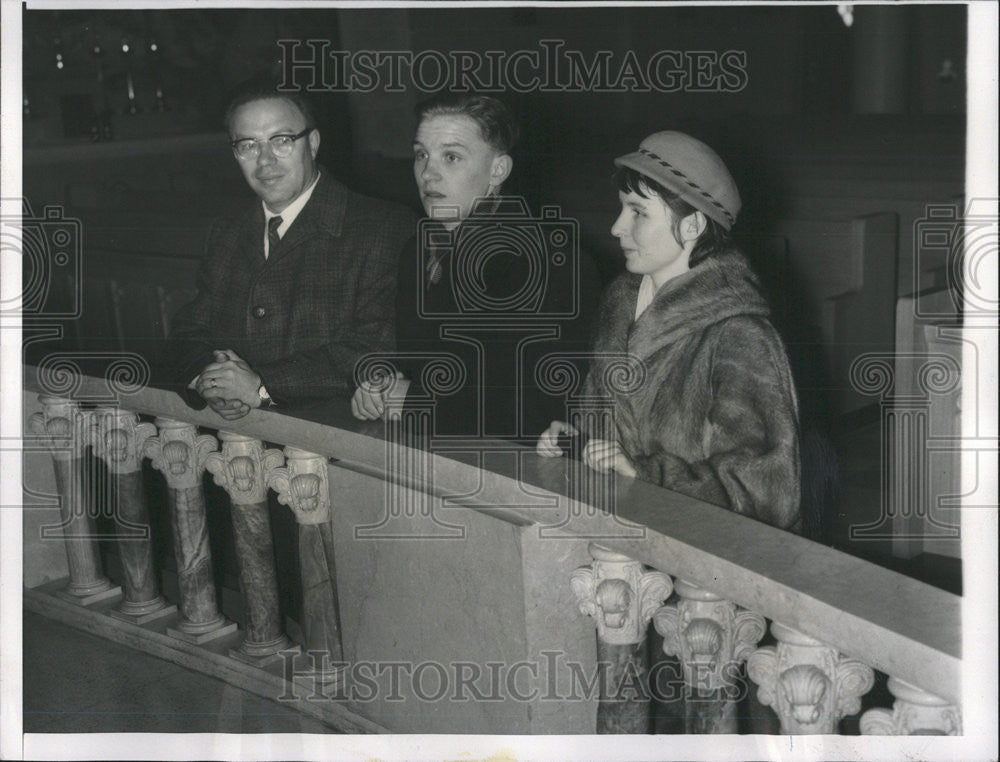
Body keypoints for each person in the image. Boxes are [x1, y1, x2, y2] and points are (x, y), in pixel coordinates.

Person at [536, 131, 801, 531]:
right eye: (621, 209)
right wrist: (575, 444)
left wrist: (650, 477)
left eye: (638, 212)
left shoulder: (740, 335)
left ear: (692, 224)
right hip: (618, 532)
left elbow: (766, 492)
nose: (616, 227)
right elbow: (610, 443)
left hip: (704, 558)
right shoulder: (619, 309)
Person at [351, 93, 593, 443]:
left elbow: (538, 411)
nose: (428, 174)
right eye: (421, 154)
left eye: (451, 157)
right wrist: (379, 383)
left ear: (498, 170)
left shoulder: (547, 263)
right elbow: (417, 366)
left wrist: (414, 399)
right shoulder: (418, 251)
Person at [167, 81, 415, 420]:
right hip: (242, 440)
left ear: (312, 144)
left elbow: (375, 346)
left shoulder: (384, 227)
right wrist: (209, 381)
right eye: (247, 145)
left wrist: (261, 386)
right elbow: (189, 329)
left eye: (281, 141)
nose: (265, 160)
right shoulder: (228, 233)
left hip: (340, 440)